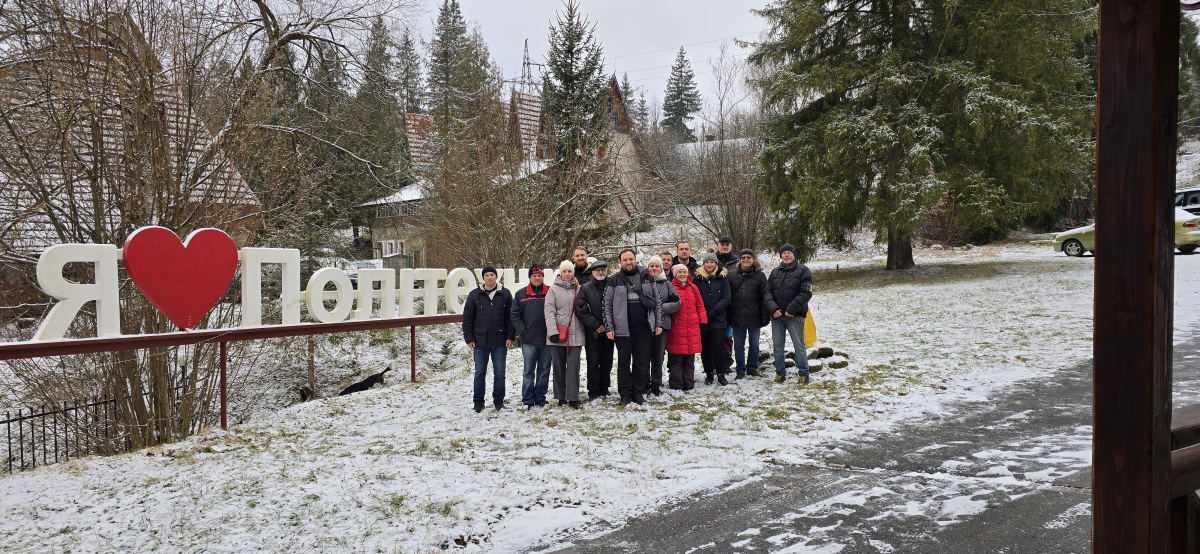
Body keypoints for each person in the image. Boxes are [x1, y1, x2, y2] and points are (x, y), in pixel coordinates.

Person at [603, 249, 662, 406]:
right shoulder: (613, 280)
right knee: (623, 362)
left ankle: (638, 392)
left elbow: (657, 301)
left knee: (640, 362)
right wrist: (609, 327)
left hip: (643, 327)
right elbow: (607, 305)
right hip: (622, 329)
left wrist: (658, 323)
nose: (628, 262)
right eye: (624, 260)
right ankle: (625, 394)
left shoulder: (647, 277)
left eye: (630, 259)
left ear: (635, 260)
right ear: (620, 262)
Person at [462, 265, 514, 412]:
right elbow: (467, 319)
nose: (490, 277)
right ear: (483, 278)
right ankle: (478, 402)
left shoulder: (505, 294)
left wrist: (510, 336)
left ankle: (498, 402)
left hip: (500, 340)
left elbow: (511, 318)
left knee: (500, 374)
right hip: (480, 341)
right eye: (487, 275)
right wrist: (469, 338)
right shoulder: (474, 295)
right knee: (479, 373)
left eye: (492, 275)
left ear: (496, 277)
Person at [764, 243, 814, 385]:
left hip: (795, 316)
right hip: (777, 317)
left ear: (794, 255)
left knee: (799, 346)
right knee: (778, 347)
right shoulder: (774, 272)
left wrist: (791, 309)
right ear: (781, 255)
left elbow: (806, 292)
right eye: (784, 253)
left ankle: (804, 374)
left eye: (789, 252)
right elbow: (767, 293)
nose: (786, 255)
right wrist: (774, 309)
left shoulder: (804, 271)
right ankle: (780, 373)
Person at [546, 261, 586, 408]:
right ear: (560, 273)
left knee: (574, 365)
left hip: (577, 332)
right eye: (564, 271)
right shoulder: (553, 290)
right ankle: (561, 395)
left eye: (570, 271)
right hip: (558, 333)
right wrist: (552, 331)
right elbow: (549, 312)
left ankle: (573, 397)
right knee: (558, 365)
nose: (567, 274)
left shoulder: (580, 289)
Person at [512, 264, 551, 409]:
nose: (537, 278)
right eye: (534, 276)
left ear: (543, 277)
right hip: (529, 340)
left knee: (544, 370)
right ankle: (527, 399)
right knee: (528, 371)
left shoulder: (550, 292)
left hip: (547, 339)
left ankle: (540, 397)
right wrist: (523, 331)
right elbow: (515, 315)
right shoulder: (521, 294)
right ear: (530, 277)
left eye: (539, 275)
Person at [576, 259, 614, 399]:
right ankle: (593, 390)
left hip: (610, 330)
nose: (601, 272)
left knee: (607, 360)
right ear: (592, 273)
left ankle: (604, 387)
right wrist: (597, 325)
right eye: (597, 270)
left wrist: (608, 325)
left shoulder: (612, 285)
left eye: (603, 269)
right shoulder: (585, 288)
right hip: (593, 332)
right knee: (593, 361)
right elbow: (580, 310)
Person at [728, 249, 768, 379]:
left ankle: (752, 368)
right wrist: (728, 316)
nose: (746, 260)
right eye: (743, 257)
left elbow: (764, 297)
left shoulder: (760, 276)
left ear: (753, 259)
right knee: (739, 345)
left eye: (748, 257)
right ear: (740, 259)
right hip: (737, 315)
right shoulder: (731, 275)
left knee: (754, 344)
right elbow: (728, 297)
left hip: (754, 316)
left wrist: (764, 315)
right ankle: (740, 369)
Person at [694, 253, 732, 385]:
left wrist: (714, 311)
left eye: (712, 262)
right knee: (705, 347)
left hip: (718, 319)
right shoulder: (697, 279)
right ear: (703, 264)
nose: (709, 264)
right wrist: (703, 313)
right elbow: (694, 297)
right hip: (702, 318)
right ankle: (709, 373)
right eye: (707, 262)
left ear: (716, 264)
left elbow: (727, 298)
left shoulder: (722, 278)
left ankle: (721, 374)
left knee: (718, 346)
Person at [666, 264, 706, 390]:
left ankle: (689, 383)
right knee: (677, 359)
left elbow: (700, 305)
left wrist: (703, 320)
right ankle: (677, 384)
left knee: (689, 358)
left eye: (684, 272)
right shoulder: (670, 287)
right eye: (679, 272)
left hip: (692, 327)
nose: (682, 274)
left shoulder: (693, 288)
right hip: (676, 327)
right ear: (675, 274)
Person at [645, 258, 680, 395]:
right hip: (645, 325)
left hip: (662, 325)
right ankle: (645, 382)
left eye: (656, 266)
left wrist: (658, 308)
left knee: (658, 356)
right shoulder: (643, 283)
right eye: (651, 266)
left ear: (661, 268)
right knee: (644, 356)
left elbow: (677, 302)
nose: (654, 268)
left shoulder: (667, 284)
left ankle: (656, 383)